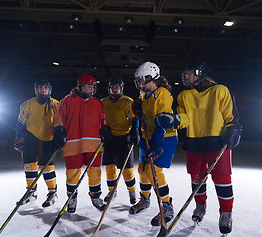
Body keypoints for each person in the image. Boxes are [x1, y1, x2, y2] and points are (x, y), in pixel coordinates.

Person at [156, 63, 242, 234]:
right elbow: (185, 118)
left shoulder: (219, 90)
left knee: (222, 179)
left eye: (190, 74)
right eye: (185, 74)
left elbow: (229, 114)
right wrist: (176, 120)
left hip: (217, 142)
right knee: (196, 179)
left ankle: (226, 213)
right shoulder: (184, 95)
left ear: (200, 74)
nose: (186, 77)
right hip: (194, 142)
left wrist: (233, 128)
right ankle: (200, 206)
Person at [53, 74, 112, 213]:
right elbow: (58, 116)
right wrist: (59, 129)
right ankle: (72, 198)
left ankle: (96, 197)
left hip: (93, 144)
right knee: (73, 174)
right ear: (80, 86)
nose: (92, 89)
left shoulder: (97, 102)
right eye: (89, 86)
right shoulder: (68, 100)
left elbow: (103, 118)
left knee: (95, 172)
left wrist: (105, 128)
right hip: (73, 144)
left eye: (93, 87)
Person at [129, 61, 178, 227]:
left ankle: (167, 205)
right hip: (148, 137)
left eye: (142, 80)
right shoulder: (144, 95)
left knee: (154, 171)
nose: (139, 83)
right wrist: (136, 129)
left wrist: (157, 146)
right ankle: (145, 199)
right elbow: (141, 116)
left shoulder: (162, 93)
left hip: (163, 137)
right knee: (142, 171)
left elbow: (162, 121)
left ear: (151, 77)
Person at [14, 80, 59, 207]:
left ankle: (52, 192)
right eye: (40, 88)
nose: (42, 90)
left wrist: (60, 137)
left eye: (45, 88)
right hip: (31, 138)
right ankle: (31, 192)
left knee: (48, 167)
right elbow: (20, 123)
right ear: (36, 90)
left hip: (49, 139)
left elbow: (60, 122)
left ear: (49, 89)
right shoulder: (27, 105)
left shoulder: (55, 104)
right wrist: (19, 138)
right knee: (29, 166)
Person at [101, 78, 139, 205]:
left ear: (121, 89)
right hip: (109, 139)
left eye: (117, 87)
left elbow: (135, 118)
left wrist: (135, 130)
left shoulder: (128, 101)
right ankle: (112, 191)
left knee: (127, 169)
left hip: (124, 138)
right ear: (109, 88)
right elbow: (99, 119)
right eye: (112, 87)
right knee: (109, 168)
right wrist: (102, 130)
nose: (115, 89)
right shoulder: (103, 102)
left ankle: (132, 192)